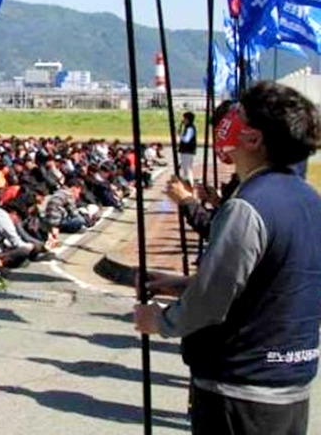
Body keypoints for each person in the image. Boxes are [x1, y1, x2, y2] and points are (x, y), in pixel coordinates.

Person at [135, 81, 321, 435]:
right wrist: (179, 284)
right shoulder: (309, 199)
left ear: (253, 139)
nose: (228, 120)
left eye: (239, 115)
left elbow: (210, 300)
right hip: (290, 386)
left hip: (240, 391)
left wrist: (159, 322)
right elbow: (274, 281)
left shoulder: (247, 206)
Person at [177, 111, 198, 188]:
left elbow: (186, 139)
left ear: (187, 119)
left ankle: (189, 185)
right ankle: (188, 184)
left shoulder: (190, 128)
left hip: (188, 151)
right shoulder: (188, 127)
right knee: (185, 169)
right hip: (186, 151)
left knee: (187, 169)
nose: (183, 120)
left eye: (184, 118)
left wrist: (180, 135)